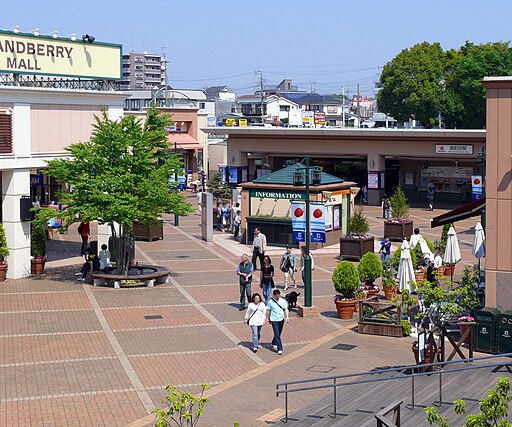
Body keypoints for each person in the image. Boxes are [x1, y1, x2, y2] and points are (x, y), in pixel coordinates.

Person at [266, 289, 289, 355]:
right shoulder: (270, 302)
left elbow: (285, 309)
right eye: (276, 296)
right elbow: (269, 310)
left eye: (278, 295)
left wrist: (286, 316)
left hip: (281, 319)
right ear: (273, 295)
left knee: (279, 333)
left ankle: (274, 342)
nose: (277, 297)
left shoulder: (283, 301)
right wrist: (269, 318)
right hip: (274, 320)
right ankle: (280, 348)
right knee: (277, 334)